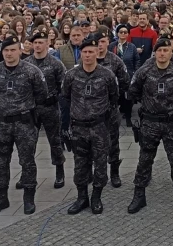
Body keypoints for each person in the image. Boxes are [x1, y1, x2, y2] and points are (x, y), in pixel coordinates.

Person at [0, 35, 49, 216]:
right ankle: (1, 198)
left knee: (27, 162)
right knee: (0, 163)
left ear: (20, 50)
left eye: (12, 50)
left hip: (24, 123)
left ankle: (28, 198)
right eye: (5, 50)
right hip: (1, 124)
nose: (9, 54)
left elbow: (42, 95)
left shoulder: (32, 71)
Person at [127, 38, 173, 214]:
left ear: (171, 52)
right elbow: (133, 91)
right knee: (144, 160)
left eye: (166, 50)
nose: (162, 53)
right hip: (150, 122)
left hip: (172, 123)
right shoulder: (144, 71)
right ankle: (139, 196)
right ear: (155, 52)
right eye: (159, 50)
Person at [61, 37, 119, 215]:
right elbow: (65, 98)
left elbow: (114, 99)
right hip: (78, 127)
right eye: (84, 52)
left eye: (91, 52)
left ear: (97, 53)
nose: (87, 55)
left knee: (100, 164)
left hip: (99, 127)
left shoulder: (107, 75)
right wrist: (66, 126)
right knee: (80, 164)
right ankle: (82, 197)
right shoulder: (71, 75)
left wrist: (105, 122)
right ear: (81, 54)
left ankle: (96, 197)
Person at [21, 30, 67, 190]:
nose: (38, 45)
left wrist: (56, 98)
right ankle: (25, 174)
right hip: (31, 109)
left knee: (55, 141)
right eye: (35, 43)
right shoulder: (26, 63)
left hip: (50, 108)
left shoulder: (55, 63)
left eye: (41, 42)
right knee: (28, 143)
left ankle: (60, 171)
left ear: (48, 44)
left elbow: (64, 86)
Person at [93, 31, 131, 188]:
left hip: (110, 110)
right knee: (94, 144)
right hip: (91, 111)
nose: (100, 45)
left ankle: (114, 172)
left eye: (103, 41)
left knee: (113, 142)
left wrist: (115, 98)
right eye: (97, 42)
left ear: (108, 42)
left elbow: (125, 82)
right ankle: (98, 174)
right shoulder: (88, 59)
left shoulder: (115, 61)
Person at [108, 24, 139, 126]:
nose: (123, 34)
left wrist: (135, 71)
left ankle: (128, 117)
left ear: (128, 34)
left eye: (125, 32)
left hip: (127, 75)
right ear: (117, 33)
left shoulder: (132, 46)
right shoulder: (112, 46)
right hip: (114, 75)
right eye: (121, 32)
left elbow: (136, 60)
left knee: (128, 97)